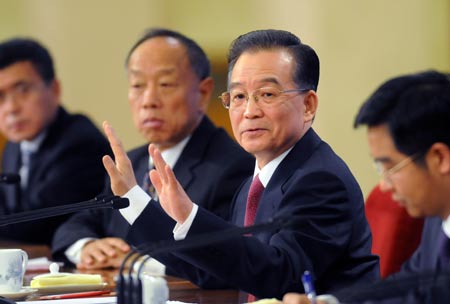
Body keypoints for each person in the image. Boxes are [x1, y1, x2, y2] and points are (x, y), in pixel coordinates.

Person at [102, 29, 379, 300]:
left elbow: (281, 276)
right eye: (238, 97)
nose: (249, 111)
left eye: (267, 94)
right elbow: (212, 269)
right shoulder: (255, 181)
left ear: (308, 105)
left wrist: (190, 216)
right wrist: (133, 199)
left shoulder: (320, 179)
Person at [51, 28, 254, 269]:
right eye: (137, 85)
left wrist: (138, 262)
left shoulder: (232, 167)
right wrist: (88, 247)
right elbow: (77, 224)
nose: (149, 100)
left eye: (165, 84)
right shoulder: (131, 163)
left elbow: (221, 259)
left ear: (202, 93)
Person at [283, 70, 450, 303]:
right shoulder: (437, 219)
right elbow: (407, 290)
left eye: (390, 167)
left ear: (439, 158)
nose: (384, 185)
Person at [0, 38, 111, 244]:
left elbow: (35, 225)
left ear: (55, 90)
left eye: (22, 90)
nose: (11, 108)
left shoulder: (80, 143)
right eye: (0, 97)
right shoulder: (14, 147)